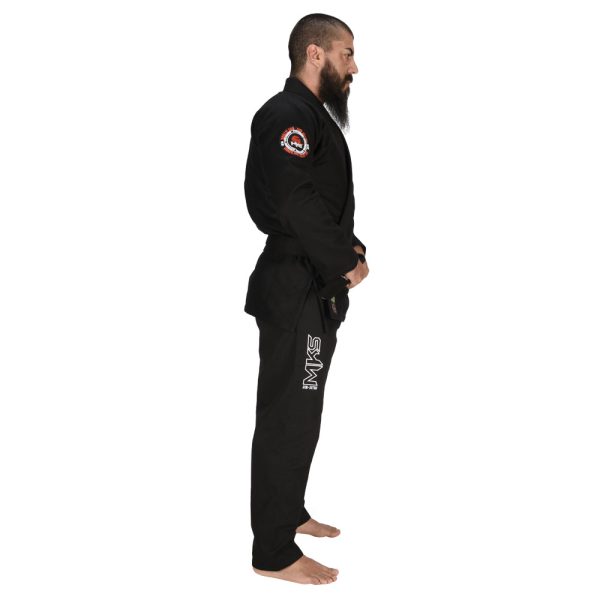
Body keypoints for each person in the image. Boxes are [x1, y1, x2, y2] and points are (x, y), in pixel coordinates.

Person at [243, 13, 369, 585]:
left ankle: (288, 511)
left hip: (311, 286)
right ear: (314, 54)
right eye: (346, 53)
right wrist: (344, 259)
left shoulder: (311, 116)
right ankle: (272, 551)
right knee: (288, 416)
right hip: (296, 289)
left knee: (303, 410)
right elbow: (294, 201)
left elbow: (318, 200)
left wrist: (350, 245)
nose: (354, 67)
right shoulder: (286, 115)